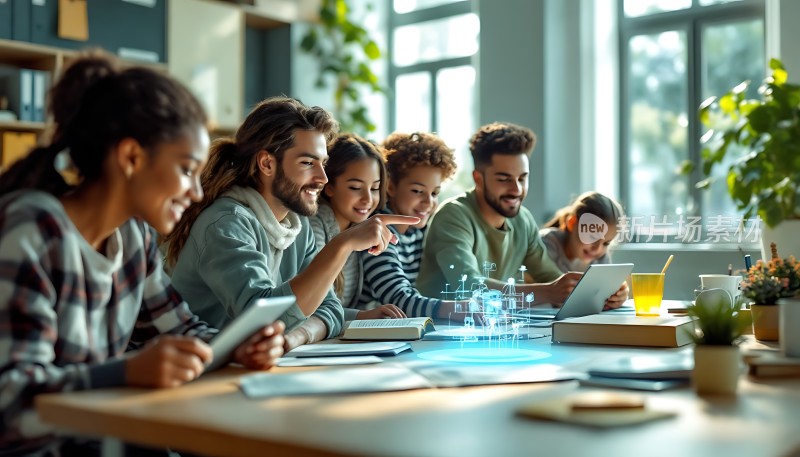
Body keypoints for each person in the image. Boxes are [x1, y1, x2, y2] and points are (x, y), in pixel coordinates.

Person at [0, 52, 285, 456]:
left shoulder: (133, 237)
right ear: (131, 157)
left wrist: (234, 347)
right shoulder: (34, 229)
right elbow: (10, 401)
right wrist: (128, 372)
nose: (197, 193)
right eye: (187, 170)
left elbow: (181, 329)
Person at [164, 97, 417, 351]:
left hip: (250, 366)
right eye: (307, 163)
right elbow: (263, 322)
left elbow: (330, 309)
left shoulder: (297, 224)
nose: (322, 178)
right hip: (198, 372)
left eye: (323, 163)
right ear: (267, 164)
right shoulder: (225, 224)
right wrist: (342, 245)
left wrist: (295, 338)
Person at [417, 122, 628, 309]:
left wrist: (607, 295)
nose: (516, 189)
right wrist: (547, 292)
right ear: (478, 179)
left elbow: (553, 278)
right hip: (440, 334)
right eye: (504, 179)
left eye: (522, 178)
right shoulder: (453, 216)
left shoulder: (522, 220)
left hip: (493, 333)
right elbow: (469, 287)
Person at [358, 132, 479, 320]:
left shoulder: (417, 232)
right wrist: (457, 309)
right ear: (390, 186)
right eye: (417, 191)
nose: (428, 202)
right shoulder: (378, 230)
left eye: (434, 193)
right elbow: (398, 299)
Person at [308, 133, 406, 320]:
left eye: (375, 188)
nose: (368, 199)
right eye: (355, 188)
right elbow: (312, 307)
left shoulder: (364, 230)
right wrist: (361, 316)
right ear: (329, 186)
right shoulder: (313, 227)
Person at [540, 191, 624, 273]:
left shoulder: (600, 259)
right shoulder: (546, 244)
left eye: (606, 243)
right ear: (571, 223)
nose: (597, 249)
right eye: (592, 238)